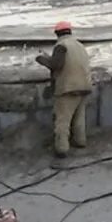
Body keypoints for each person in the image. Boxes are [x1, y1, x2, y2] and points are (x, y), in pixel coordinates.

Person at [34, 20, 92, 158]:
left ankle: (62, 149)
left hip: (68, 88)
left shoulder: (61, 45)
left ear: (57, 34)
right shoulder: (79, 45)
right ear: (70, 31)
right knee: (79, 117)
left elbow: (57, 65)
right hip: (84, 85)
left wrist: (41, 59)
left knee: (63, 120)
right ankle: (80, 141)